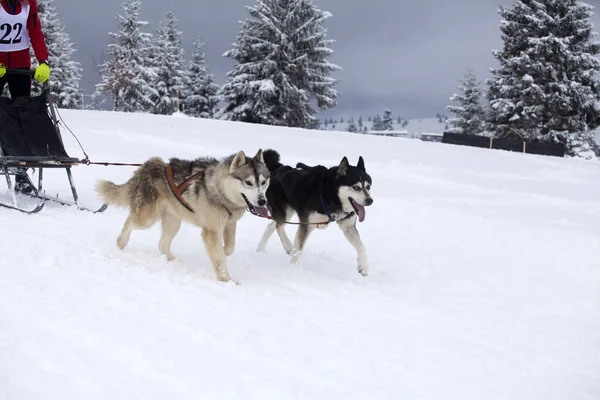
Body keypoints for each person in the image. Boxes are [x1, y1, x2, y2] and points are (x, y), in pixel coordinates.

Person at [0, 0, 50, 194]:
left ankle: (21, 175)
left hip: (20, 66)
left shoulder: (29, 5)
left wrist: (43, 60)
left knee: (22, 116)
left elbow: (35, 33)